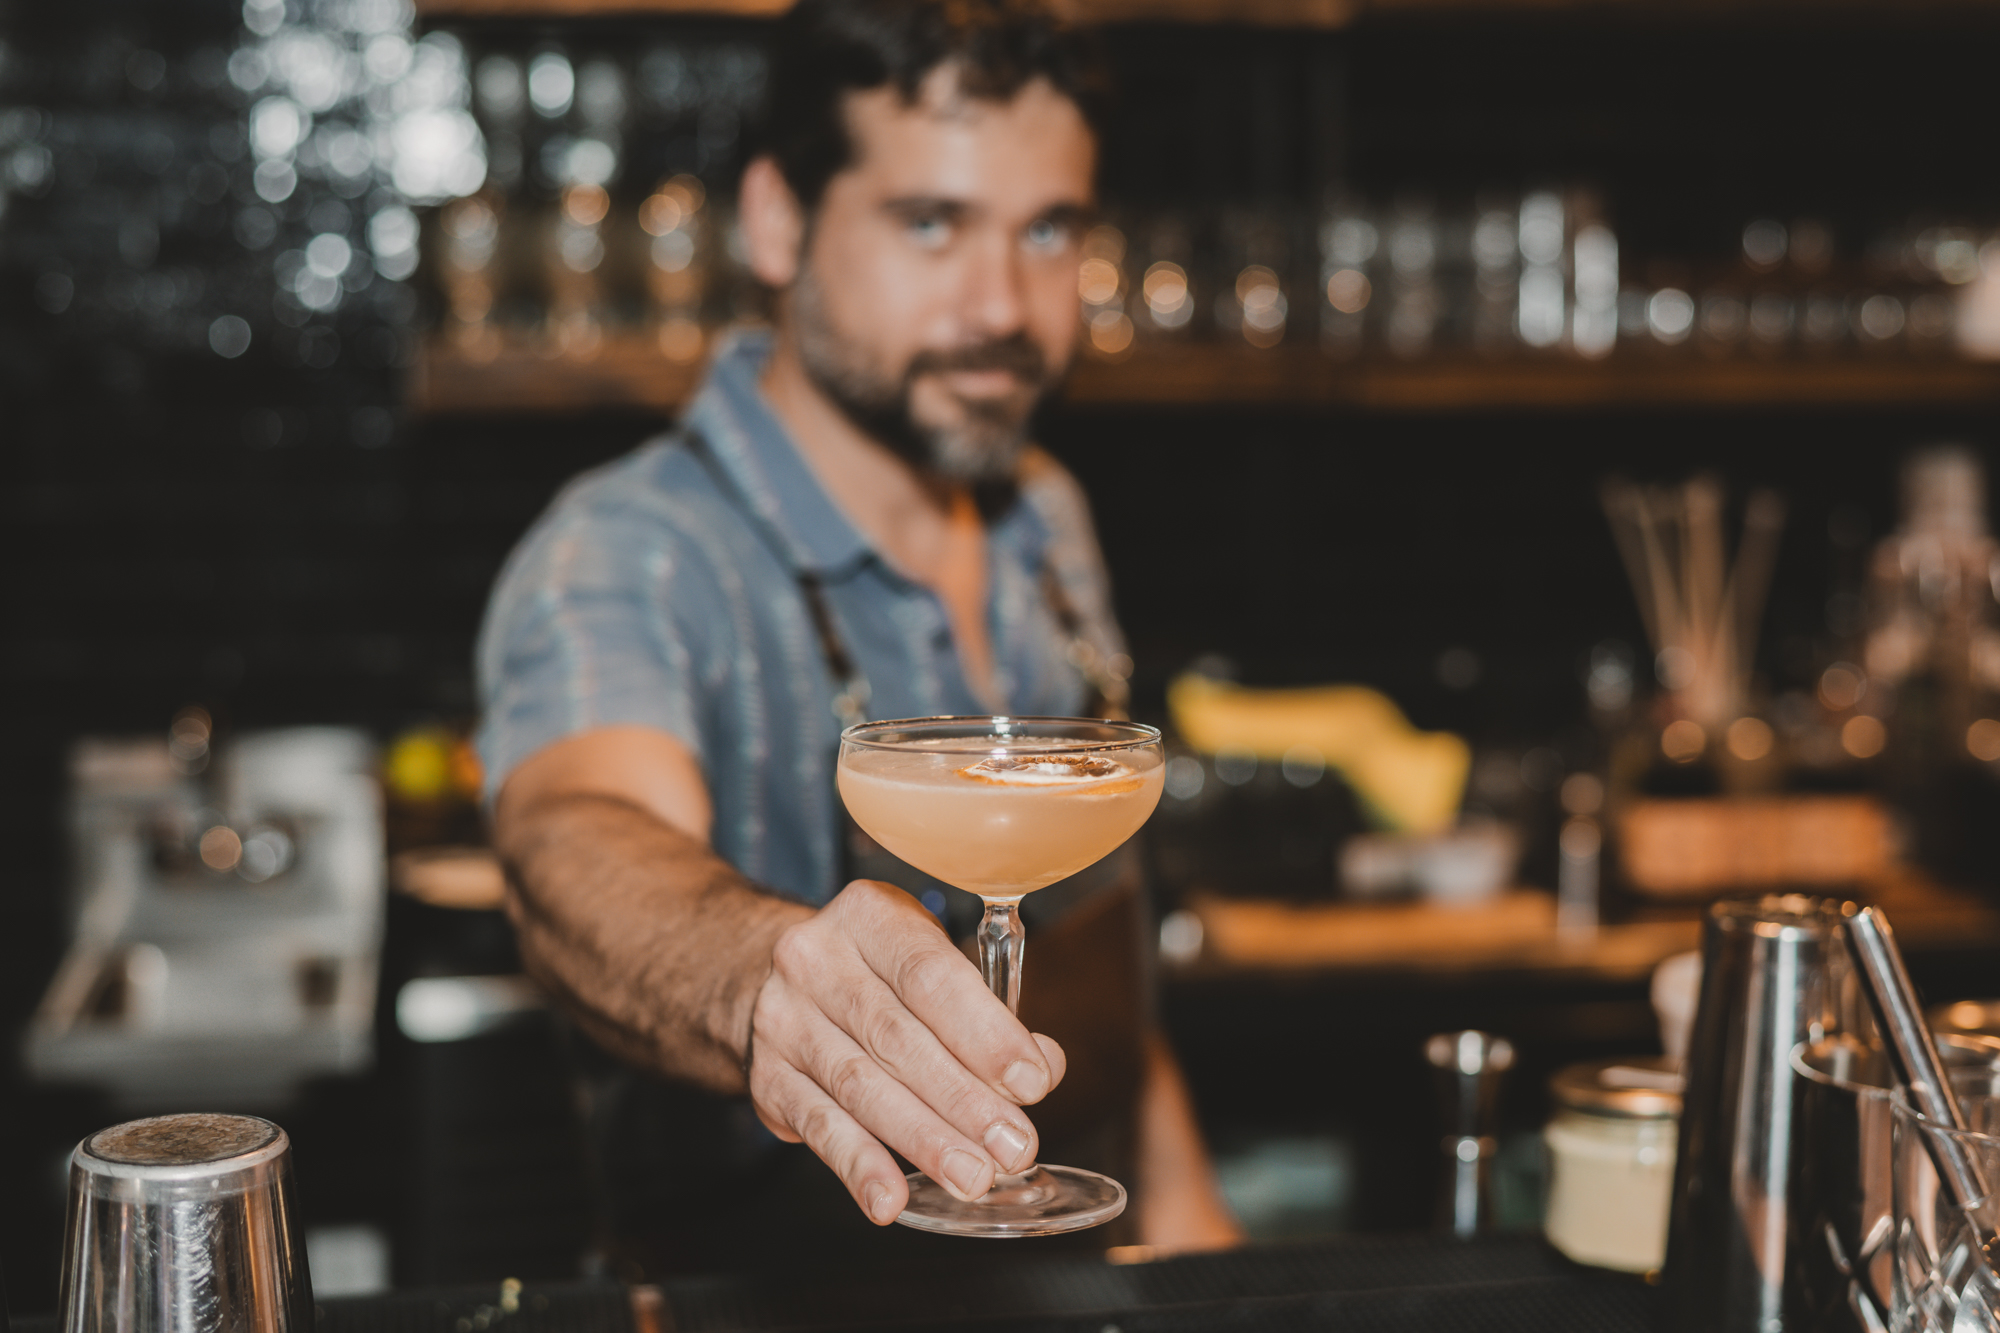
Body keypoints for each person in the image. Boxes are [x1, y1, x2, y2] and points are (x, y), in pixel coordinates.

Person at [476, 0, 1239, 1269]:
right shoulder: (627, 550)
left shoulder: (1044, 515)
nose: (1002, 305)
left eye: (1047, 229)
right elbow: (573, 845)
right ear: (778, 220)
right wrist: (765, 978)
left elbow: (1094, 970)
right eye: (929, 222)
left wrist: (1199, 1237)